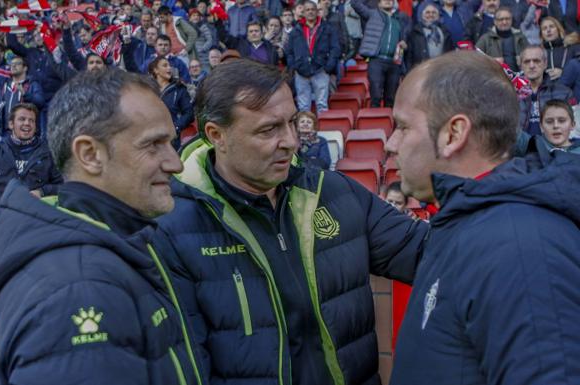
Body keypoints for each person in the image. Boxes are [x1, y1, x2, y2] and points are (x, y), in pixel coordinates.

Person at [151, 58, 428, 385]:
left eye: (292, 123)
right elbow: (186, 366)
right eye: (269, 129)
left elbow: (430, 253)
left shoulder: (333, 192)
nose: (291, 141)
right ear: (216, 135)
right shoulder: (172, 228)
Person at [0, 69, 207, 385]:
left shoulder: (117, 247)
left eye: (171, 143)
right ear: (89, 154)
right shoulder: (76, 290)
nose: (175, 163)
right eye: (153, 145)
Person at [386, 50, 580, 385]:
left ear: (453, 133)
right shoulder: (469, 221)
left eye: (402, 127)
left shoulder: (521, 247)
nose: (391, 144)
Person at [351, 0, 411, 107]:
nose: (388, 1)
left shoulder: (401, 18)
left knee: (391, 98)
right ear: (378, 3)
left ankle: (389, 122)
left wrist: (405, 44)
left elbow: (407, 37)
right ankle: (374, 122)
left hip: (394, 62)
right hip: (376, 61)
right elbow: (355, 3)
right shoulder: (372, 14)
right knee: (376, 96)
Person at [285, 0, 341, 112]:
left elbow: (335, 49)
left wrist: (328, 67)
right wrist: (294, 66)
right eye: (307, 10)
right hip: (301, 72)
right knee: (303, 107)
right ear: (303, 13)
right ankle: (305, 130)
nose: (310, 12)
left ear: (317, 11)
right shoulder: (295, 31)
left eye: (313, 9)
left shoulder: (328, 28)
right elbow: (289, 51)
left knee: (322, 105)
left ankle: (324, 129)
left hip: (321, 71)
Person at [518, 45, 575, 135]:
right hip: (520, 147)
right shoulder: (511, 94)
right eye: (527, 62)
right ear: (521, 66)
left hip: (552, 147)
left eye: (536, 61)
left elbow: (573, 129)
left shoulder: (564, 93)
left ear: (545, 64)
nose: (532, 65)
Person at [0, 55, 45, 136]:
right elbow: (0, 103)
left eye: (17, 64)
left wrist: (25, 94)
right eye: (11, 64)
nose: (13, 66)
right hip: (7, 131)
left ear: (25, 68)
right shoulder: (6, 84)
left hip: (26, 131)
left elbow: (40, 102)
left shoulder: (32, 84)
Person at [148, 56, 193, 150]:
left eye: (169, 66)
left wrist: (176, 127)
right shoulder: (148, 91)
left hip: (174, 141)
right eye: (165, 65)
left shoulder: (179, 89)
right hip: (153, 140)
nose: (169, 68)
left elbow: (189, 113)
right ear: (156, 70)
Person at [476, 7, 528, 71]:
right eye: (501, 19)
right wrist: (491, 62)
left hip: (519, 77)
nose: (504, 22)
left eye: (507, 19)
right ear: (495, 21)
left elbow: (530, 56)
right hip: (495, 77)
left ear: (511, 20)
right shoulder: (485, 39)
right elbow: (476, 60)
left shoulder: (520, 37)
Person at [406, 2, 454, 71]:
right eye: (427, 12)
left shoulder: (445, 31)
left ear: (438, 15)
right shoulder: (415, 32)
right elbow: (409, 56)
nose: (431, 15)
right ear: (422, 15)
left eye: (434, 12)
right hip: (421, 69)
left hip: (441, 69)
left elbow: (450, 52)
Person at [539, 16, 580, 81]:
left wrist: (564, 73)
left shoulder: (573, 47)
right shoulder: (539, 53)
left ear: (559, 30)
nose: (548, 30)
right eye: (544, 28)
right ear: (541, 35)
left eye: (551, 26)